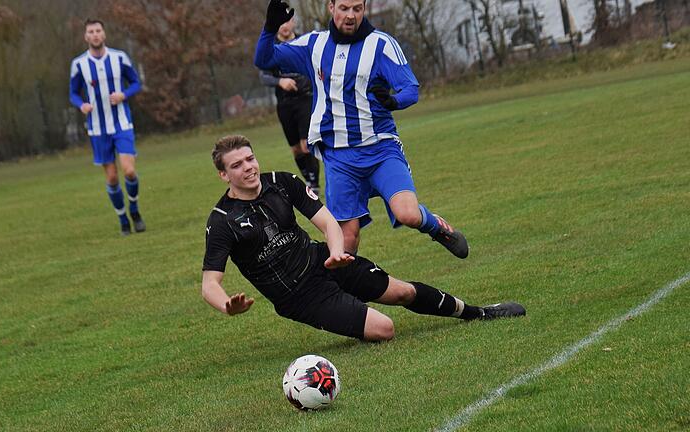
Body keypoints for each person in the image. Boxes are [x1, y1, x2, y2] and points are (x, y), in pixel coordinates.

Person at [202, 135, 525, 341]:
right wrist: (227, 307)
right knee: (384, 329)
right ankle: (348, 312)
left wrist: (336, 253)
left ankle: (479, 312)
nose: (249, 167)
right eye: (237, 165)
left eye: (250, 158)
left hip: (325, 262)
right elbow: (210, 285)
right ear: (223, 175)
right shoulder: (222, 221)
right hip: (299, 295)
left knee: (402, 292)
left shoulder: (282, 182)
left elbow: (328, 223)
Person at [254, 0, 468, 258]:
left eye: (357, 8)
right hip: (339, 156)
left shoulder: (381, 44)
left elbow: (410, 89)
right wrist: (269, 28)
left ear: (364, 8)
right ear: (331, 7)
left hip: (380, 149)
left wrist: (393, 101)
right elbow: (264, 59)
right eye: (344, 8)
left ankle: (437, 228)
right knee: (346, 240)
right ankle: (348, 298)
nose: (351, 15)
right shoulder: (314, 45)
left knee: (408, 214)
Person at [70, 18, 146, 236]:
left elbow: (135, 83)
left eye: (98, 30)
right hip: (98, 128)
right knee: (112, 177)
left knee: (129, 171)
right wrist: (81, 104)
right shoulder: (79, 64)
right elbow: (73, 92)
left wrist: (124, 94)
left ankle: (134, 211)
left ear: (104, 34)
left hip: (122, 123)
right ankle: (123, 220)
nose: (95, 34)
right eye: (91, 31)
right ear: (86, 37)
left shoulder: (119, 57)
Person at [258, 17, 321, 195]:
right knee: (296, 149)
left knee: (306, 144)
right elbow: (263, 76)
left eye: (287, 21)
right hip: (285, 104)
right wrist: (280, 81)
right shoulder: (270, 49)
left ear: (293, 22)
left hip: (306, 99)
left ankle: (314, 183)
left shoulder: (304, 43)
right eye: (280, 22)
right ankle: (308, 178)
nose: (284, 25)